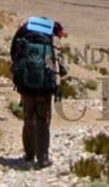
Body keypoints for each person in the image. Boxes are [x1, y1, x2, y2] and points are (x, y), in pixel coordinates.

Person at [9, 16, 67, 169]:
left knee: (28, 117)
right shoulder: (51, 36)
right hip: (45, 85)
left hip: (26, 83)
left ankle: (29, 155)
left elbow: (13, 53)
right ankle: (43, 158)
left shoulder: (24, 31)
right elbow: (58, 63)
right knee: (43, 119)